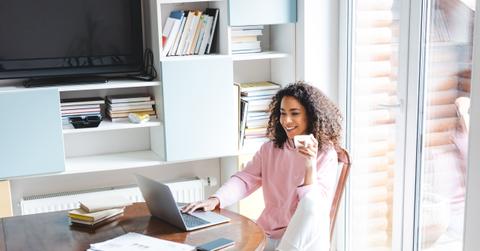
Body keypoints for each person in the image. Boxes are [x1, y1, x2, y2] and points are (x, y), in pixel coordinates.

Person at [182, 82, 343, 250]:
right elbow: (245, 179)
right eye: (282, 113)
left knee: (311, 204)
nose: (286, 121)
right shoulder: (271, 149)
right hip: (269, 233)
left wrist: (310, 163)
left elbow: (312, 207)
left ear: (310, 116)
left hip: (305, 241)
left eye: (294, 113)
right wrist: (216, 199)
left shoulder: (326, 154)